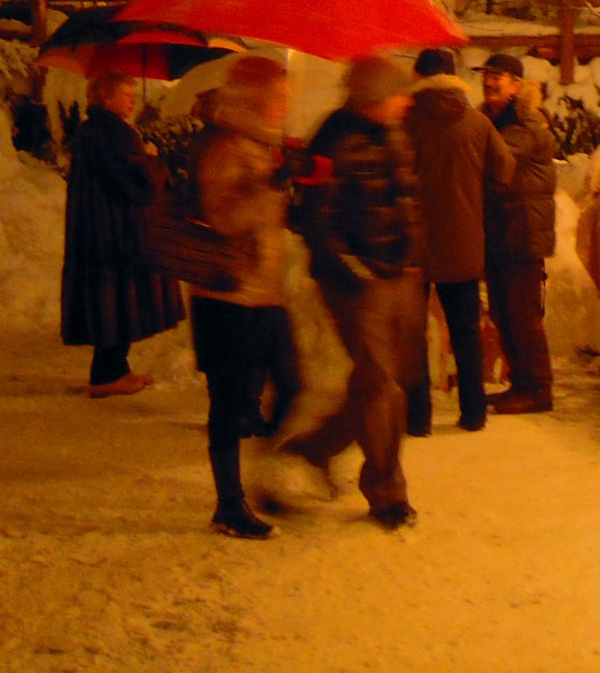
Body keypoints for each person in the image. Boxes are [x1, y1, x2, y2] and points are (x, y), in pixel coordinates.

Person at [283, 56, 426, 530]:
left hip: (401, 273)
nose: (407, 101)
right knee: (382, 387)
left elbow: (408, 200)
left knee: (384, 384)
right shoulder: (334, 140)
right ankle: (387, 493)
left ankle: (315, 448)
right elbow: (316, 219)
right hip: (359, 282)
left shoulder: (394, 134)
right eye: (398, 94)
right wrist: (350, 271)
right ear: (374, 99)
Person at [187, 56, 302, 539]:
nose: (283, 105)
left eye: (284, 97)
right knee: (230, 404)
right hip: (226, 293)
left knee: (291, 384)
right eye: (275, 97)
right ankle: (229, 505)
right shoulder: (224, 147)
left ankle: (266, 480)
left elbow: (266, 215)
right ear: (253, 99)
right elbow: (225, 219)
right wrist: (271, 185)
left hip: (264, 290)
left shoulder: (260, 145)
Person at [402, 47, 512, 435]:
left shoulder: (405, 122)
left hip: (413, 243)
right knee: (465, 330)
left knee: (412, 333)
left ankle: (418, 417)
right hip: (463, 240)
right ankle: (472, 411)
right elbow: (504, 172)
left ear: (420, 76)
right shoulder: (477, 123)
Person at [60, 69, 185, 397]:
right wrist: (155, 162)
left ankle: (112, 370)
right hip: (118, 233)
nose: (132, 100)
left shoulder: (91, 131)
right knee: (119, 302)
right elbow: (138, 185)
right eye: (126, 95)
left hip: (99, 232)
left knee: (109, 305)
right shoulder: (115, 134)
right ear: (106, 97)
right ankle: (108, 374)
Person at [478, 54, 558, 415]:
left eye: (500, 76)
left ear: (516, 85)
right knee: (502, 312)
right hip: (499, 230)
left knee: (523, 316)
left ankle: (538, 389)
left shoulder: (524, 123)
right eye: (487, 75)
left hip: (523, 231)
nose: (491, 82)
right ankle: (520, 384)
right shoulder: (489, 118)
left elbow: (498, 164)